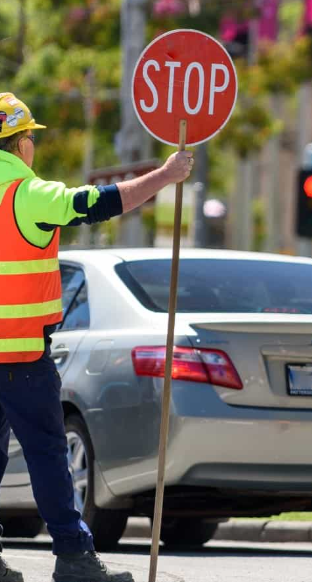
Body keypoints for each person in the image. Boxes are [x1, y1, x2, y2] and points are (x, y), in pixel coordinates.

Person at [0, 93, 192, 582]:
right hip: (21, 357)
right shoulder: (27, 193)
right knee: (47, 454)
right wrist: (166, 177)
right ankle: (73, 558)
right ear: (21, 144)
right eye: (31, 140)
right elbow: (99, 203)